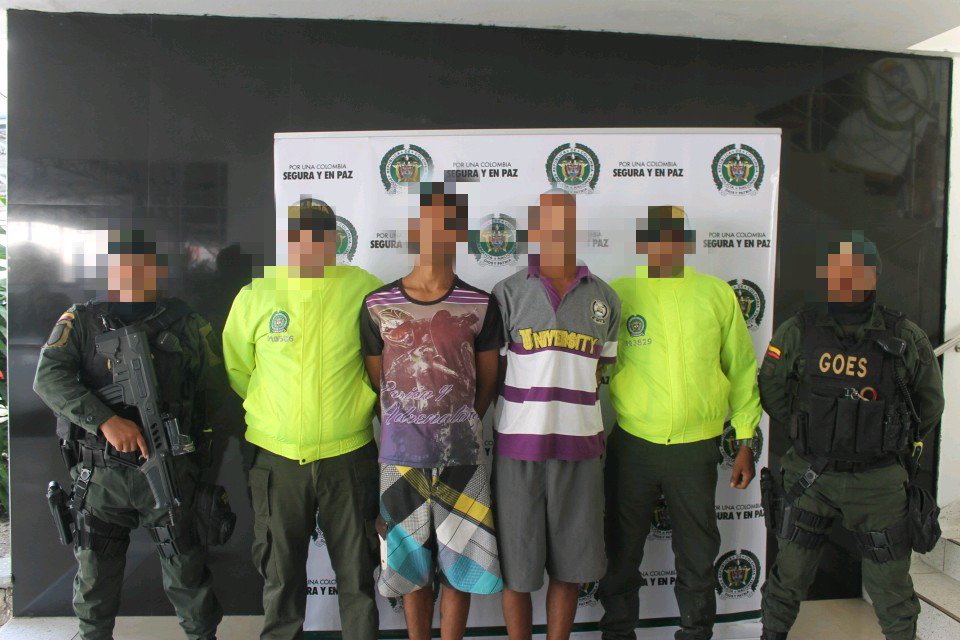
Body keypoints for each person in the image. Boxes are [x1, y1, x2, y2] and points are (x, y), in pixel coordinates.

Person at [33, 230, 223, 640]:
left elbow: (212, 388)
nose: (134, 273)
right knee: (95, 583)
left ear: (156, 270)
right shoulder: (82, 320)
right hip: (103, 479)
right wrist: (105, 420)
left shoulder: (186, 322)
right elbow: (48, 378)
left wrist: (197, 454)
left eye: (143, 264)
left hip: (171, 470)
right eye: (124, 264)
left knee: (188, 576)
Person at [758, 231, 944, 640]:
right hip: (812, 477)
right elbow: (770, 386)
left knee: (891, 590)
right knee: (789, 575)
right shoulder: (799, 330)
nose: (848, 279)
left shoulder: (904, 335)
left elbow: (930, 403)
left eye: (858, 270)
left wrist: (887, 440)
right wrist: (808, 431)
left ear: (874, 275)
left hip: (877, 483)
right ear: (826, 275)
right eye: (839, 270)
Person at [598, 206, 762, 640]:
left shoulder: (715, 294)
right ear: (643, 242)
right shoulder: (619, 293)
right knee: (621, 549)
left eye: (672, 235)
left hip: (696, 449)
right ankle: (617, 633)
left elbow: (741, 370)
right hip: (634, 445)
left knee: (697, 553)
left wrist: (746, 439)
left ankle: (696, 632)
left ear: (685, 242)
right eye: (654, 235)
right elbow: (593, 364)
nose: (663, 244)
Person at [222, 199, 383, 640]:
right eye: (300, 233)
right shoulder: (257, 294)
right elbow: (238, 369)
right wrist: (280, 415)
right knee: (281, 577)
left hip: (347, 457)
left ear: (335, 239)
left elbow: (383, 361)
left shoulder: (365, 290)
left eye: (320, 233)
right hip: (277, 460)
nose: (309, 242)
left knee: (357, 576)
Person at [362, 180, 504, 640]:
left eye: (448, 225)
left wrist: (455, 424)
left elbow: (487, 383)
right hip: (399, 459)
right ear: (414, 231)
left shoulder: (480, 304)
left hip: (462, 457)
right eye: (428, 224)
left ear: (459, 233)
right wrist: (407, 424)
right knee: (409, 571)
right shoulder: (377, 304)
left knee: (461, 566)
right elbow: (378, 383)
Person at [492, 189, 620, 640]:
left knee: (571, 567)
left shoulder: (605, 298)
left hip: (580, 450)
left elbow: (602, 373)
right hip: (518, 450)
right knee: (517, 569)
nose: (556, 230)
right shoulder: (507, 293)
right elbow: (495, 374)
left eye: (565, 221)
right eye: (547, 222)